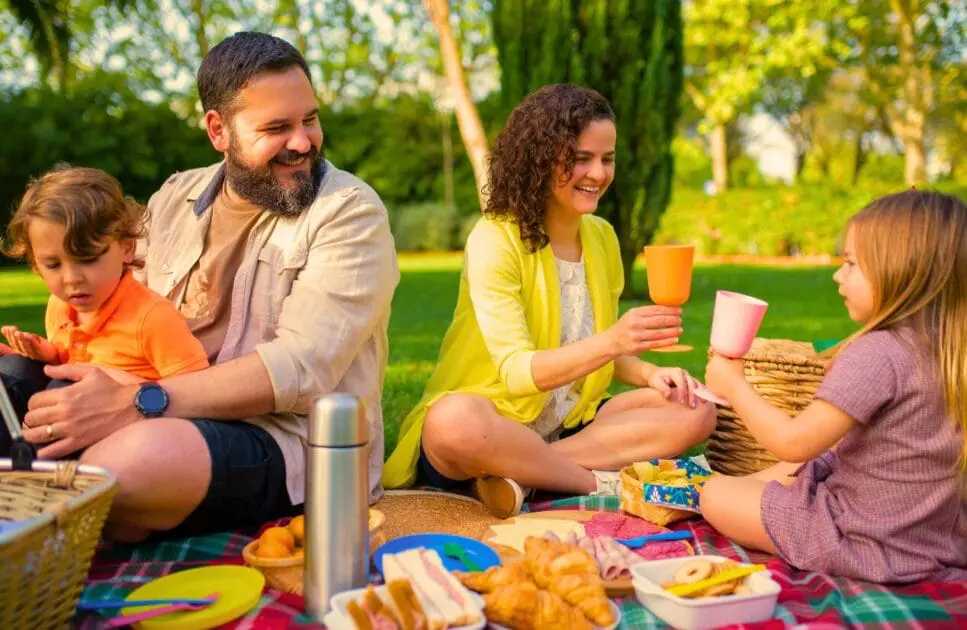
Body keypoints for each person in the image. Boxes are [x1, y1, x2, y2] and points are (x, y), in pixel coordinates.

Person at [12, 32, 399, 542]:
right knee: (12, 382)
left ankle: (65, 504)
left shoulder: (349, 212)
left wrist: (135, 401)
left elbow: (302, 370)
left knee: (121, 467)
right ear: (219, 130)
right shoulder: (175, 196)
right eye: (277, 127)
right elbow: (117, 307)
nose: (303, 142)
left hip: (284, 438)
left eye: (309, 119)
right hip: (153, 402)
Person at [383, 84, 715, 517]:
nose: (598, 173)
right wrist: (614, 340)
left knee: (697, 408)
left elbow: (595, 347)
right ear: (539, 158)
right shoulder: (495, 238)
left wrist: (651, 373)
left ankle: (521, 474)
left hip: (571, 425)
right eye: (581, 158)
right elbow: (518, 373)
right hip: (493, 421)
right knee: (452, 420)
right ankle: (598, 483)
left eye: (607, 158)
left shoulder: (602, 237)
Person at [701, 189, 967, 583]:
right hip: (934, 541)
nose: (837, 275)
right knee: (792, 470)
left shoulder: (878, 352)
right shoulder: (952, 351)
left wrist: (733, 384)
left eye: (851, 264)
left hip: (859, 542)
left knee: (714, 495)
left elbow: (793, 443)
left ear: (900, 270)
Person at [0, 166, 209, 455]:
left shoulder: (152, 317)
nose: (72, 279)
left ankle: (32, 469)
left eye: (87, 259)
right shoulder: (60, 305)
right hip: (68, 413)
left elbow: (196, 393)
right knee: (13, 372)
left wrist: (127, 386)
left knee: (63, 391)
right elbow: (71, 358)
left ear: (127, 248)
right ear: (35, 263)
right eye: (53, 265)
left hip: (124, 430)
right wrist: (45, 354)